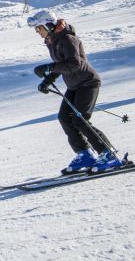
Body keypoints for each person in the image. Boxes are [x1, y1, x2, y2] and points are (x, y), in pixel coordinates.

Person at [27, 9, 124, 174]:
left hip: (88, 83)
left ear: (49, 25)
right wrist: (48, 80)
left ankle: (109, 155)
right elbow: (62, 65)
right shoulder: (54, 41)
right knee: (64, 118)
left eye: (39, 28)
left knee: (81, 121)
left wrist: (49, 67)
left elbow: (74, 64)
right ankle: (85, 154)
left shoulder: (68, 39)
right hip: (74, 86)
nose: (38, 32)